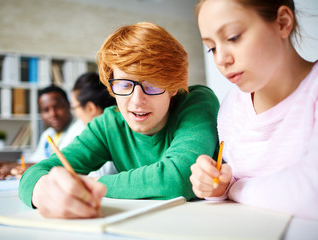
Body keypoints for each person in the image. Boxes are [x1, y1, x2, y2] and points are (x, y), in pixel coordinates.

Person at [18, 22, 220, 219]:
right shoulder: (108, 124)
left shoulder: (196, 101)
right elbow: (38, 172)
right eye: (124, 85)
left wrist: (93, 183)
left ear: (173, 86)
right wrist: (43, 189)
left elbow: (179, 178)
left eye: (152, 85)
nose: (137, 100)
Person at [189, 0, 318, 220]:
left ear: (283, 23)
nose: (221, 59)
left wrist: (235, 189)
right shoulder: (231, 107)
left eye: (233, 37)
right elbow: (230, 179)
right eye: (212, 48)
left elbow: (310, 193)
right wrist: (218, 187)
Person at [0, 84, 85, 180]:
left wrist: (13, 167)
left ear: (68, 105)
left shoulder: (80, 128)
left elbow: (63, 164)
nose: (53, 114)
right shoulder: (48, 134)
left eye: (58, 107)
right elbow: (37, 160)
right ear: (41, 113)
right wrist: (9, 165)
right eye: (46, 110)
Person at [71, 72, 118, 177]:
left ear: (90, 108)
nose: (75, 113)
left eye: (75, 107)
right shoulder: (80, 126)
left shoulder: (108, 136)